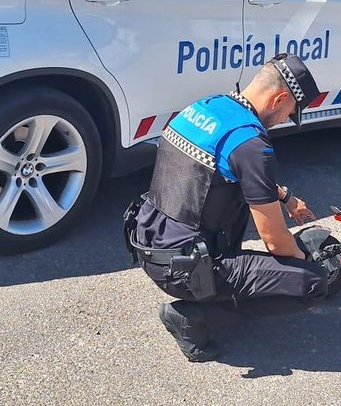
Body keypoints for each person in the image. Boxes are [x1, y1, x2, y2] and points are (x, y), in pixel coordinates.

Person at [124, 53, 328, 362]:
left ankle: (211, 291)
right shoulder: (253, 146)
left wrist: (286, 198)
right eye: (290, 112)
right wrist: (307, 261)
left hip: (150, 241)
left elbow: (228, 169)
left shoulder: (208, 107)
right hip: (185, 268)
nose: (287, 119)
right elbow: (275, 241)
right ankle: (193, 315)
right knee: (311, 284)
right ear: (279, 99)